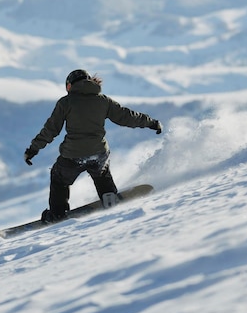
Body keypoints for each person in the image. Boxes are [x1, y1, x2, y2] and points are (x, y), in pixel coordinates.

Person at [24, 69, 163, 223]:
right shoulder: (103, 100)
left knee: (59, 177)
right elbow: (126, 117)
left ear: (70, 86)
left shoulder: (66, 102)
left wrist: (33, 149)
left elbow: (51, 130)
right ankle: (109, 196)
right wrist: (152, 123)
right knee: (101, 172)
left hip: (73, 155)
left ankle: (57, 214)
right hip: (99, 152)